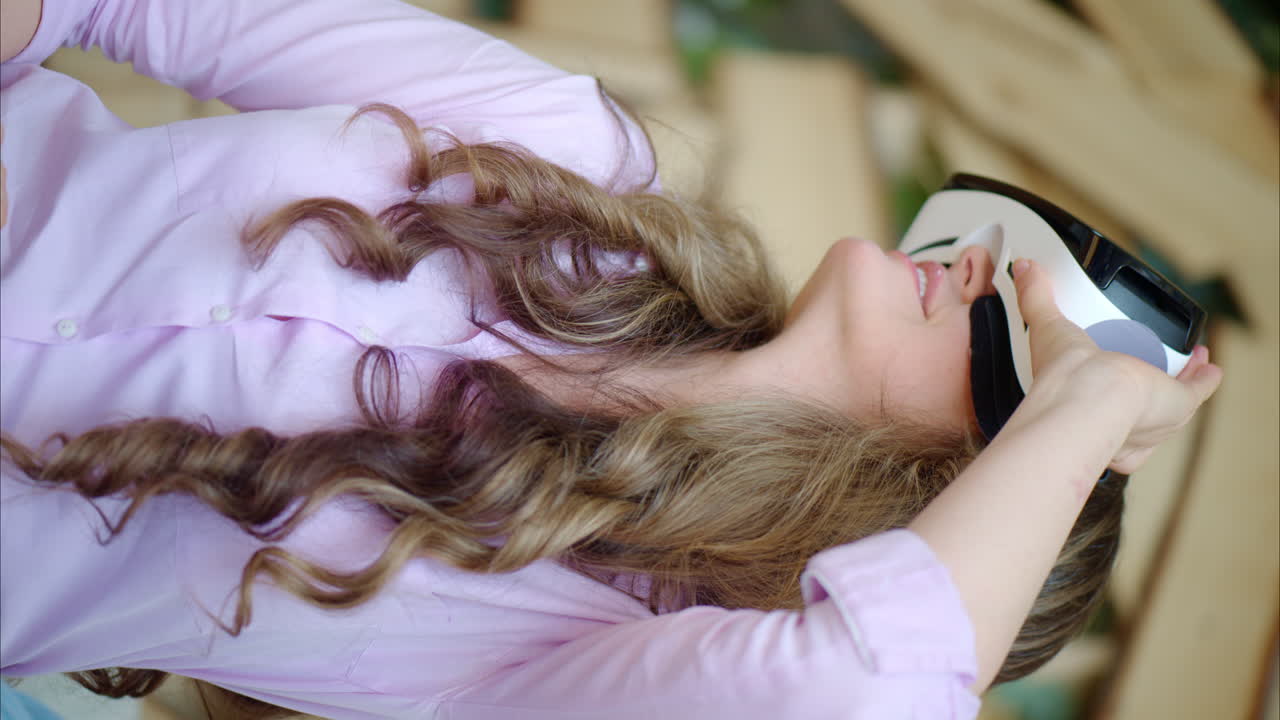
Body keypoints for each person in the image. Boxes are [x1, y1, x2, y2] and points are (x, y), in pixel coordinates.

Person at [0, 1, 1221, 718]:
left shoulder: (555, 659)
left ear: (939, 499)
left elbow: (860, 692)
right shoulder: (573, 162)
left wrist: (1082, 413)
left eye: (1017, 348)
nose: (986, 275)